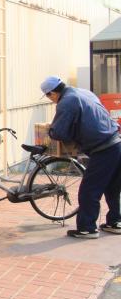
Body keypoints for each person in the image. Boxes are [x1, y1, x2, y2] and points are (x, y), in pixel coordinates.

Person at [40, 75, 121, 238]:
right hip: (116, 142)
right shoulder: (84, 93)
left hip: (102, 149)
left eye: (49, 97)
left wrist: (49, 131)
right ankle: (115, 222)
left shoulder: (66, 102)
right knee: (112, 187)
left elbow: (59, 132)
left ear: (52, 94)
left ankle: (87, 228)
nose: (51, 100)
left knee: (88, 190)